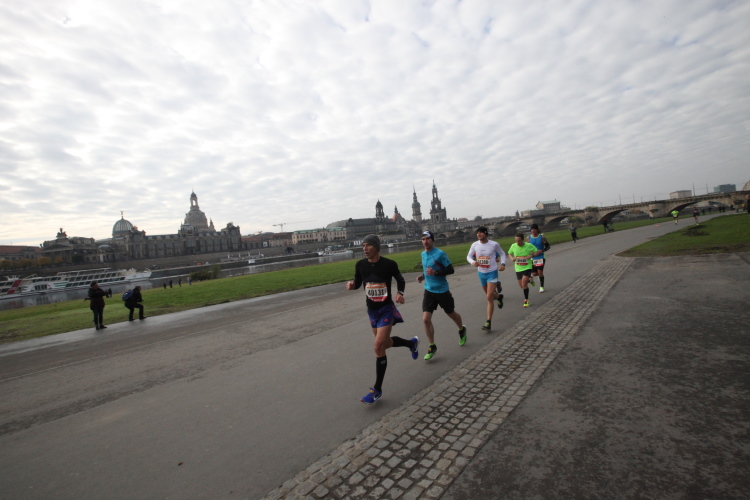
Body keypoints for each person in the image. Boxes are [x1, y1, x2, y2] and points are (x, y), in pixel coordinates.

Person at [346, 234, 417, 405]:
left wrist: (400, 293)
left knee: (378, 346)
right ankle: (411, 343)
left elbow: (400, 279)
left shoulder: (389, 264)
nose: (364, 248)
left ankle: (377, 390)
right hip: (372, 311)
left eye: (368, 245)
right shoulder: (360, 265)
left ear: (376, 247)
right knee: (384, 344)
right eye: (363, 245)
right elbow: (358, 282)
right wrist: (352, 285)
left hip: (386, 310)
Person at [416, 230, 467, 361]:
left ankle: (461, 329)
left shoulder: (440, 254)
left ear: (432, 240)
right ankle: (432, 346)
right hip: (429, 291)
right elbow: (427, 269)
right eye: (423, 239)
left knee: (452, 314)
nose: (425, 241)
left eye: (427, 239)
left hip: (442, 291)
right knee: (425, 319)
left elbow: (450, 270)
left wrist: (436, 273)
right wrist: (422, 276)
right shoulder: (423, 254)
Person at [466, 226, 506, 331]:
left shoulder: (494, 244)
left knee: (488, 297)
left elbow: (502, 254)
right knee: (490, 295)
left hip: (492, 272)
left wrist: (503, 264)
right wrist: (473, 262)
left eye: (481, 232)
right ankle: (499, 297)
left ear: (486, 234)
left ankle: (488, 322)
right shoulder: (474, 245)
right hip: (481, 273)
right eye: (477, 233)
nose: (478, 234)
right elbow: (468, 256)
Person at [507, 232, 542, 308]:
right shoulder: (513, 246)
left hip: (527, 267)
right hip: (518, 268)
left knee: (524, 282)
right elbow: (509, 253)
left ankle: (526, 300)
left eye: (519, 241)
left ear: (523, 240)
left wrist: (532, 255)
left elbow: (537, 251)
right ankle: (530, 279)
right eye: (516, 241)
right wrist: (512, 258)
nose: (517, 242)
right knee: (522, 286)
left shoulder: (529, 245)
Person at [527, 224, 550, 293]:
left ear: (537, 230)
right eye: (532, 229)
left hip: (541, 257)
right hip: (533, 258)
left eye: (534, 229)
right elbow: (527, 247)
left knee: (540, 272)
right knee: (534, 274)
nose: (533, 231)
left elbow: (548, 246)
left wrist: (542, 250)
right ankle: (539, 276)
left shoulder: (542, 237)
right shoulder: (528, 238)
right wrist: (529, 253)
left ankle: (541, 286)